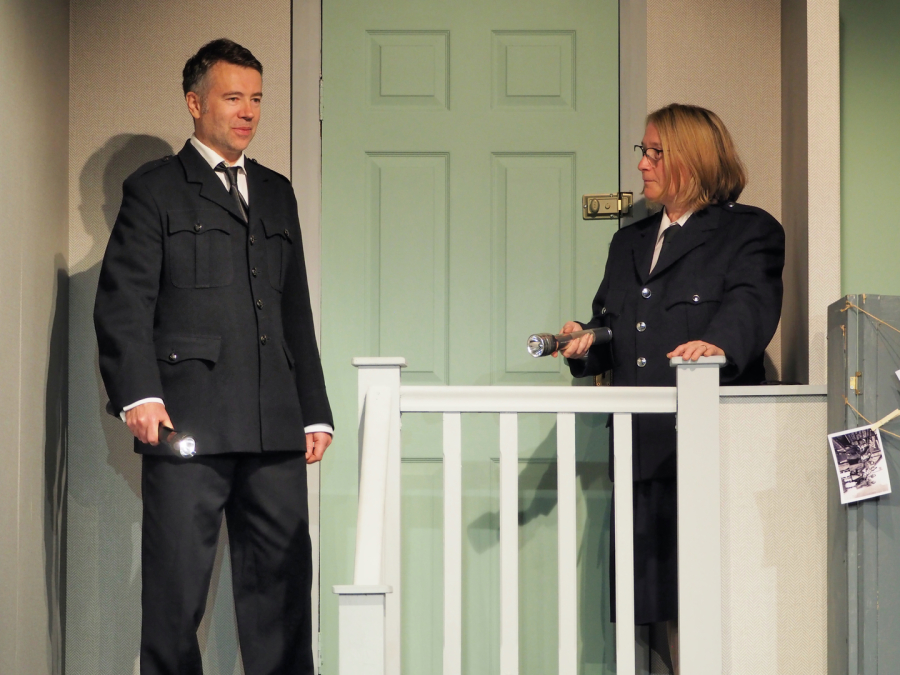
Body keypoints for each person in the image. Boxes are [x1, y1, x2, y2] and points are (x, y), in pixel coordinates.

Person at [94, 38, 333, 674]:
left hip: (273, 425)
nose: (248, 111)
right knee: (174, 598)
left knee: (283, 594)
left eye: (256, 98)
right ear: (195, 103)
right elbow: (124, 303)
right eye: (233, 97)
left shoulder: (277, 192)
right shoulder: (155, 190)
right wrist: (138, 394)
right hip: (187, 421)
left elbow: (294, 309)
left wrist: (313, 409)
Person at [556, 103, 784, 672]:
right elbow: (617, 329)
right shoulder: (629, 242)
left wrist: (716, 347)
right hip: (638, 451)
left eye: (655, 153)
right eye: (644, 151)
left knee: (708, 605)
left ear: (693, 158)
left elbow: (750, 311)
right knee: (646, 611)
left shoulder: (747, 231)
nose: (643, 164)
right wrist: (584, 341)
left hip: (706, 452)